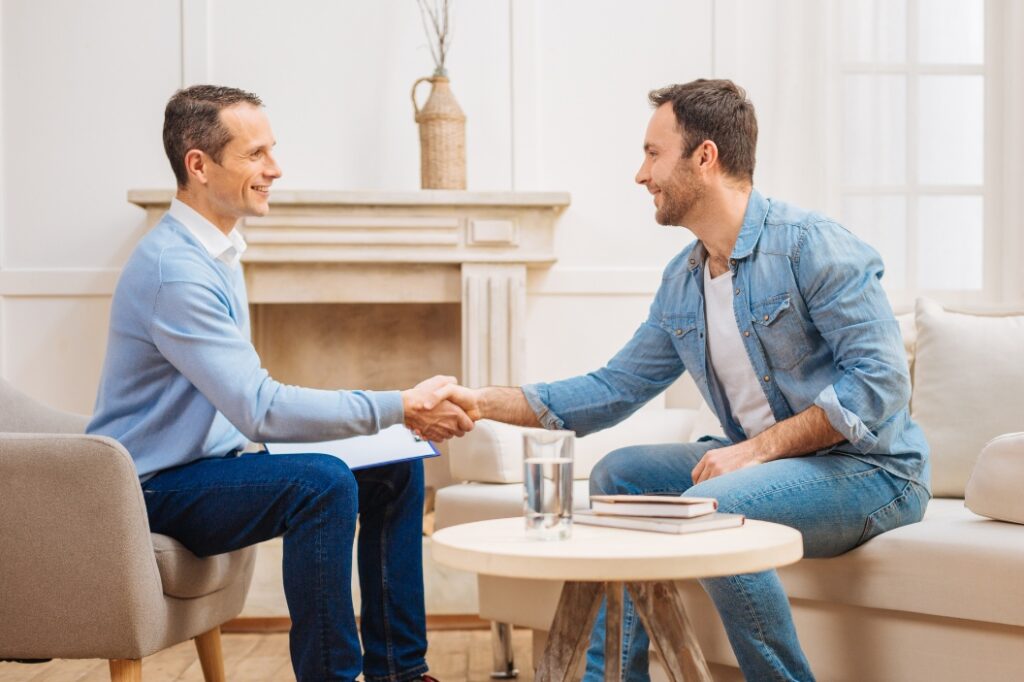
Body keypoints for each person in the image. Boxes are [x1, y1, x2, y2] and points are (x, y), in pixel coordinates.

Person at [434, 79, 930, 681]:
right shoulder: (684, 279)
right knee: (622, 473)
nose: (640, 175)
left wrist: (754, 451)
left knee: (716, 502)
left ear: (705, 156)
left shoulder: (811, 247)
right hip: (769, 466)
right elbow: (612, 389)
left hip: (871, 471)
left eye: (652, 153)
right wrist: (481, 401)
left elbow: (880, 386)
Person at [87, 85, 465, 682]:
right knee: (320, 483)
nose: (275, 169)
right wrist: (400, 404)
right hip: (154, 486)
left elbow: (248, 405)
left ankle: (400, 673)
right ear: (199, 165)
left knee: (397, 465)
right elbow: (260, 407)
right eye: (255, 154)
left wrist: (397, 422)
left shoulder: (214, 251)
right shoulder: (175, 272)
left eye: (272, 151)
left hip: (211, 464)